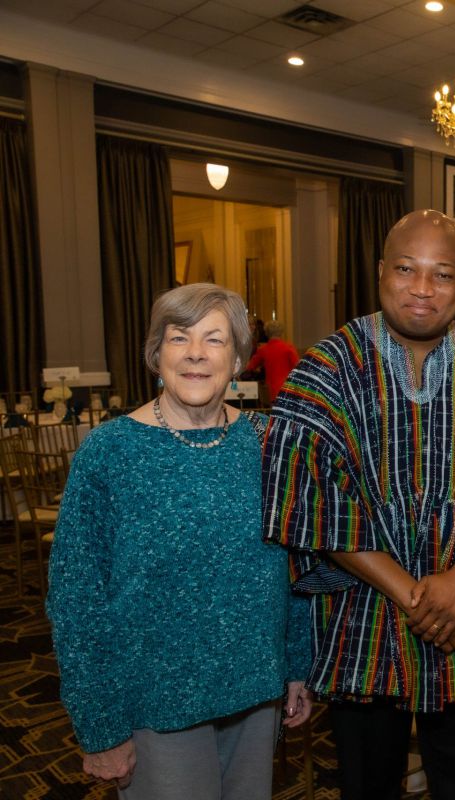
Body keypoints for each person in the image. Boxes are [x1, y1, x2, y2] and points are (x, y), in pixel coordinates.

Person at [262, 210, 455, 800]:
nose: (423, 288)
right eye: (406, 270)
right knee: (367, 785)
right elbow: (310, 496)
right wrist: (420, 594)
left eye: (441, 275)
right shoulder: (326, 368)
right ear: (379, 273)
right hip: (361, 620)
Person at [46, 283, 313, 799]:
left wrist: (296, 666)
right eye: (179, 337)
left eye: (214, 340)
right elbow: (76, 598)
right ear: (155, 353)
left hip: (256, 690)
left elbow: (294, 564)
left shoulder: (267, 442)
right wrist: (100, 724)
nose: (195, 353)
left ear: (238, 358)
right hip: (156, 703)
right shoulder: (111, 452)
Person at [243, 319, 300, 404]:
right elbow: (298, 368)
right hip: (289, 389)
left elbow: (249, 366)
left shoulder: (263, 350)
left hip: (272, 390)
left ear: (267, 333)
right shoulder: (289, 348)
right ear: (281, 332)